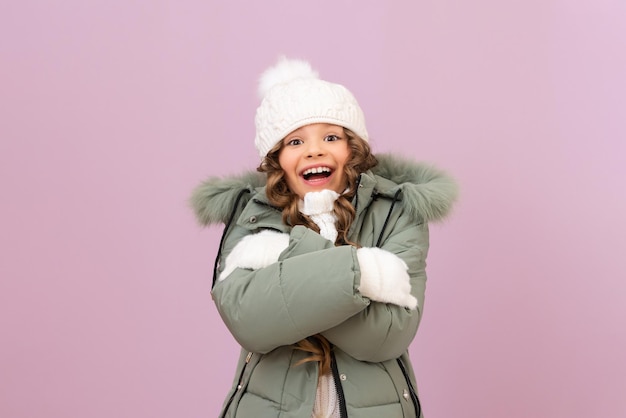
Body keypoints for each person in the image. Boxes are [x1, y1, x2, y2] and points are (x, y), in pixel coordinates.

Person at [190, 56, 457, 418]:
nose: (314, 150)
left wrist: (289, 264)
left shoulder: (396, 210)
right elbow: (248, 318)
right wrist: (363, 271)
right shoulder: (251, 212)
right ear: (278, 158)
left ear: (352, 149)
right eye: (296, 141)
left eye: (331, 137)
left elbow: (389, 333)